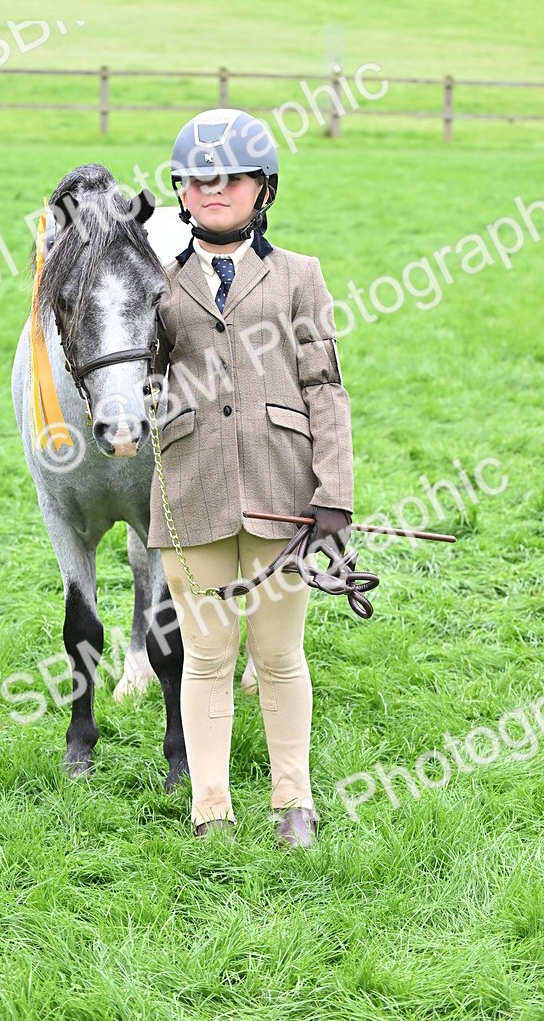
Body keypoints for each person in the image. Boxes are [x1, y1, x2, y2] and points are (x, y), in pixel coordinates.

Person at [146, 108, 354, 849]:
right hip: (189, 487)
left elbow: (325, 389)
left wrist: (333, 496)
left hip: (282, 491)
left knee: (276, 654)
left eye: (228, 177)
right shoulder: (158, 284)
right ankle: (211, 808)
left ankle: (292, 801)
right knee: (205, 655)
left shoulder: (300, 275)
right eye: (196, 179)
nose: (211, 189)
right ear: (181, 191)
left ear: (263, 188)